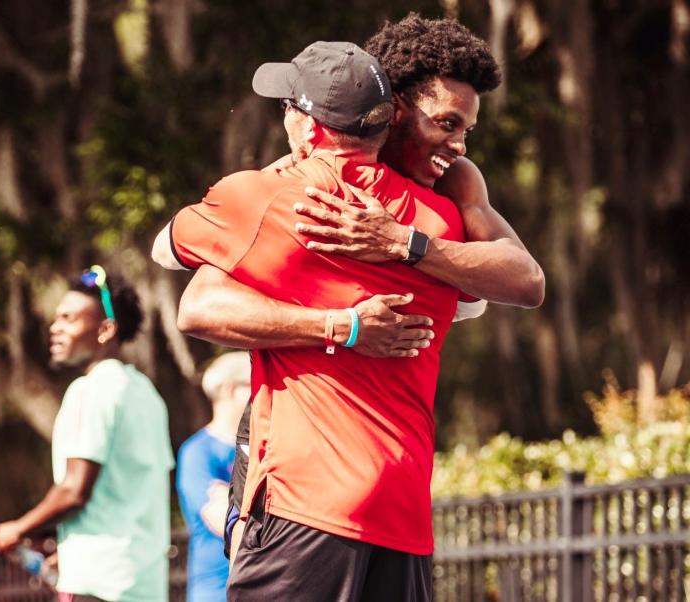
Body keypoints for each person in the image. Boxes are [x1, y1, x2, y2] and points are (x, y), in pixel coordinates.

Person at [155, 13, 545, 565]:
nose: (459, 144)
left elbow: (528, 281)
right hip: (294, 464)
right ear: (396, 111)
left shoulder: (454, 188)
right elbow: (195, 297)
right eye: (447, 124)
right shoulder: (296, 184)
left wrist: (403, 243)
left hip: (375, 491)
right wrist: (344, 324)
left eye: (467, 130)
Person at [0, 266, 175, 602]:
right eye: (56, 318)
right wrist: (72, 549)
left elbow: (74, 491)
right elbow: (130, 494)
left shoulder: (91, 389)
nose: (55, 328)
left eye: (68, 319)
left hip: (98, 586)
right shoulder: (146, 393)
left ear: (105, 329)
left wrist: (17, 529)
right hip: (144, 585)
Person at [176, 352, 250, 602]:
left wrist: (239, 503)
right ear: (230, 390)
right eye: (254, 385)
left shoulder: (266, 450)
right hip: (216, 593)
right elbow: (222, 522)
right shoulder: (198, 452)